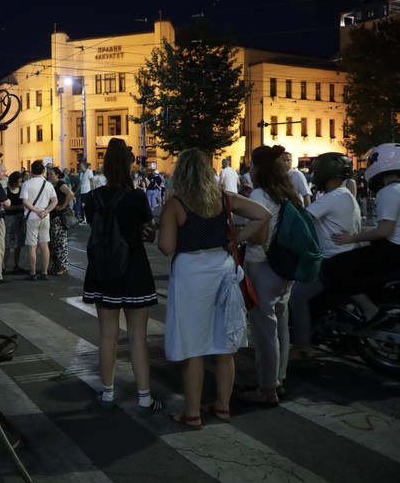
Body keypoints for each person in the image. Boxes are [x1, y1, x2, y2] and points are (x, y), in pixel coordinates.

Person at [158, 148, 271, 428]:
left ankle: (192, 412)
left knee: (193, 345)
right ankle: (222, 406)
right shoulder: (224, 198)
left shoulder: (176, 205)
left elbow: (167, 247)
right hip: (222, 269)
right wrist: (237, 239)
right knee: (223, 343)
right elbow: (263, 214)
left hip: (191, 274)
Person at [81, 138, 163, 414]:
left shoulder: (92, 198)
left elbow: (96, 227)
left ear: (104, 166)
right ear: (129, 165)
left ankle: (107, 394)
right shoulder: (136, 197)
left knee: (107, 335)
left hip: (103, 271)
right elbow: (148, 230)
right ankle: (144, 398)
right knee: (138, 336)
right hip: (134, 269)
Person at [238, 145, 302, 405]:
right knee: (280, 325)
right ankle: (278, 378)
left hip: (262, 264)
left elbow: (258, 234)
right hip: (284, 268)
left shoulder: (260, 194)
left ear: (258, 168)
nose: (249, 169)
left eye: (251, 165)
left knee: (264, 330)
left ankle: (267, 389)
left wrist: (237, 238)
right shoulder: (287, 192)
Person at [323, 143, 400, 330]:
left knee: (333, 266)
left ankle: (370, 311)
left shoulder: (389, 191)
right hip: (395, 249)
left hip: (392, 250)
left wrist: (353, 238)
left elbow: (385, 230)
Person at [289, 153, 361, 350]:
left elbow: (302, 220)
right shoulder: (346, 195)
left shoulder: (331, 198)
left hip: (331, 261)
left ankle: (302, 346)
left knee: (297, 295)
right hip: (345, 257)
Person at [20, 160, 58, 280]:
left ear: (31, 171)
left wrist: (36, 211)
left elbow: (25, 201)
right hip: (45, 217)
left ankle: (33, 273)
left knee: (32, 246)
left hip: (32, 217)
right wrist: (45, 211)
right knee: (44, 245)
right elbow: (55, 201)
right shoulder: (48, 184)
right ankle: (44, 272)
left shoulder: (26, 184)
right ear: (43, 171)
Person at [47, 167, 74, 276]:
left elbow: (70, 194)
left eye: (52, 174)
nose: (49, 176)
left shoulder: (60, 184)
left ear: (57, 175)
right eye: (48, 174)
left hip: (59, 217)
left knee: (60, 242)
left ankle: (63, 266)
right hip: (53, 216)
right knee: (54, 241)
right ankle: (56, 265)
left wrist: (63, 205)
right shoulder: (52, 185)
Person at [3, 171, 25, 274]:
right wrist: (18, 207)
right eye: (18, 181)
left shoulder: (21, 190)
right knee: (7, 243)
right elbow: (6, 207)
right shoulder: (6, 190)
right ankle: (3, 266)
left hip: (19, 218)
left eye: (20, 181)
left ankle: (16, 265)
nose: (19, 183)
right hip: (9, 218)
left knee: (18, 243)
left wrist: (13, 207)